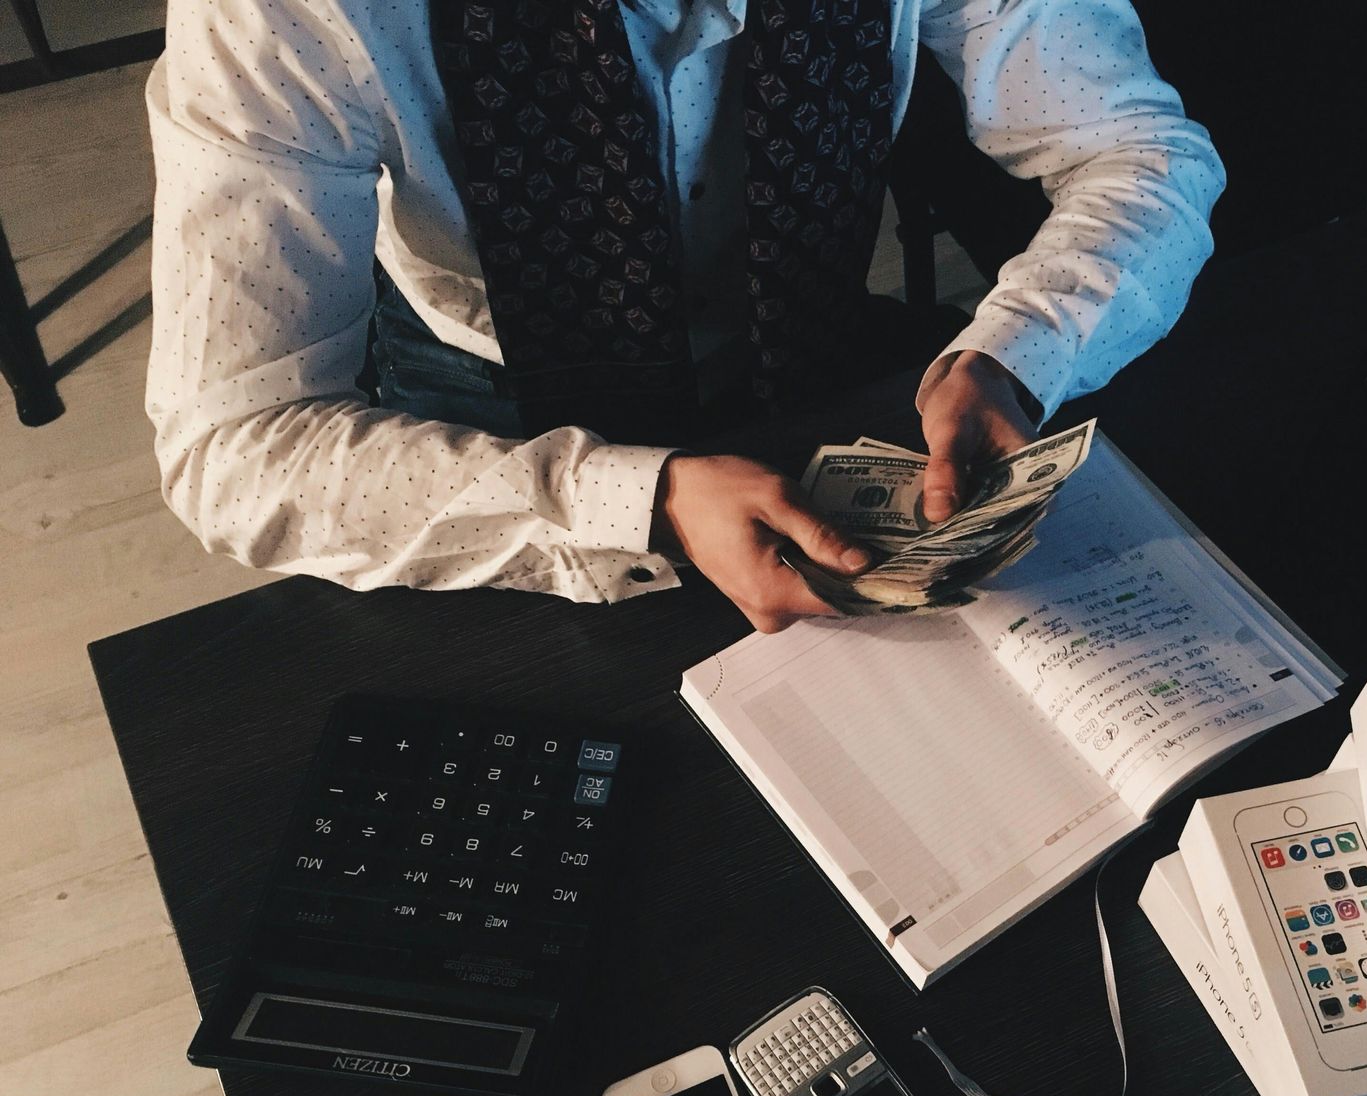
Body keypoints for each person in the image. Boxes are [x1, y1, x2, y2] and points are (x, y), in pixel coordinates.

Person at [146, 0, 1224, 632]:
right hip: (493, 426)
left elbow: (1141, 153)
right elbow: (230, 448)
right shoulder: (291, 12)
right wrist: (637, 500)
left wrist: (1019, 351)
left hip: (823, 356)